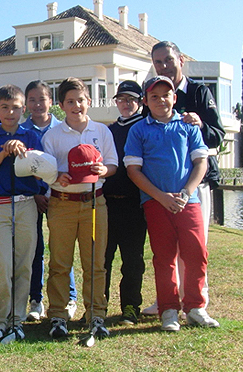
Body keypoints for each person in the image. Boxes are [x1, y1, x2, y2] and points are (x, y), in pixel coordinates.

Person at [124, 75, 219, 331]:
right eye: (154, 96)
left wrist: (186, 193)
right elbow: (134, 170)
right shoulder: (139, 130)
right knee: (164, 258)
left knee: (196, 254)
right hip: (156, 203)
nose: (161, 100)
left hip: (189, 202)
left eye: (166, 95)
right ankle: (169, 310)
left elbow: (201, 162)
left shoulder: (188, 126)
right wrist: (161, 197)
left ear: (174, 98)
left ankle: (196, 308)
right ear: (146, 101)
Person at [142, 41, 225, 315]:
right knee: (166, 250)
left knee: (194, 247)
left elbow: (218, 133)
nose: (164, 65)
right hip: (162, 189)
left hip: (195, 184)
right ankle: (168, 300)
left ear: (180, 60)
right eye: (158, 62)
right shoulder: (153, 94)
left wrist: (200, 124)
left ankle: (196, 303)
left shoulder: (199, 92)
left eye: (168, 60)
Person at [41, 77, 118, 339]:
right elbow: (45, 169)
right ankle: (58, 316)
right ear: (61, 105)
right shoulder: (52, 135)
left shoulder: (102, 131)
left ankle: (96, 315)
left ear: (89, 101)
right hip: (62, 204)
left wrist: (103, 170)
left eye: (81, 100)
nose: (76, 106)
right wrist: (56, 177)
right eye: (70, 101)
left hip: (95, 202)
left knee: (95, 263)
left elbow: (113, 165)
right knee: (60, 263)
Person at [0, 84, 42, 342]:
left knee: (23, 264)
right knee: (2, 265)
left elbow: (43, 173)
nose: (10, 112)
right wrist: (3, 153)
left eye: (15, 108)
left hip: (26, 204)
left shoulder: (32, 136)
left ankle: (17, 320)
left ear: (23, 109)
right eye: (5, 107)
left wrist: (26, 156)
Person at [21, 80, 78, 322]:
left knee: (61, 248)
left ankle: (69, 297)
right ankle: (36, 300)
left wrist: (50, 191)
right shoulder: (23, 132)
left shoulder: (62, 129)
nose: (37, 104)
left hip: (60, 196)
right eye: (32, 100)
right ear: (26, 104)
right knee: (34, 249)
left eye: (41, 99)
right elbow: (23, 168)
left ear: (51, 102)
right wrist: (36, 194)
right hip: (32, 199)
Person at [103, 81, 147, 325]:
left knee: (132, 260)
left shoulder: (144, 127)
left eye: (131, 99)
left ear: (140, 102)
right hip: (108, 203)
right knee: (103, 259)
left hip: (134, 204)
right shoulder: (108, 130)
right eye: (121, 99)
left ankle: (131, 307)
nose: (126, 103)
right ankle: (99, 307)